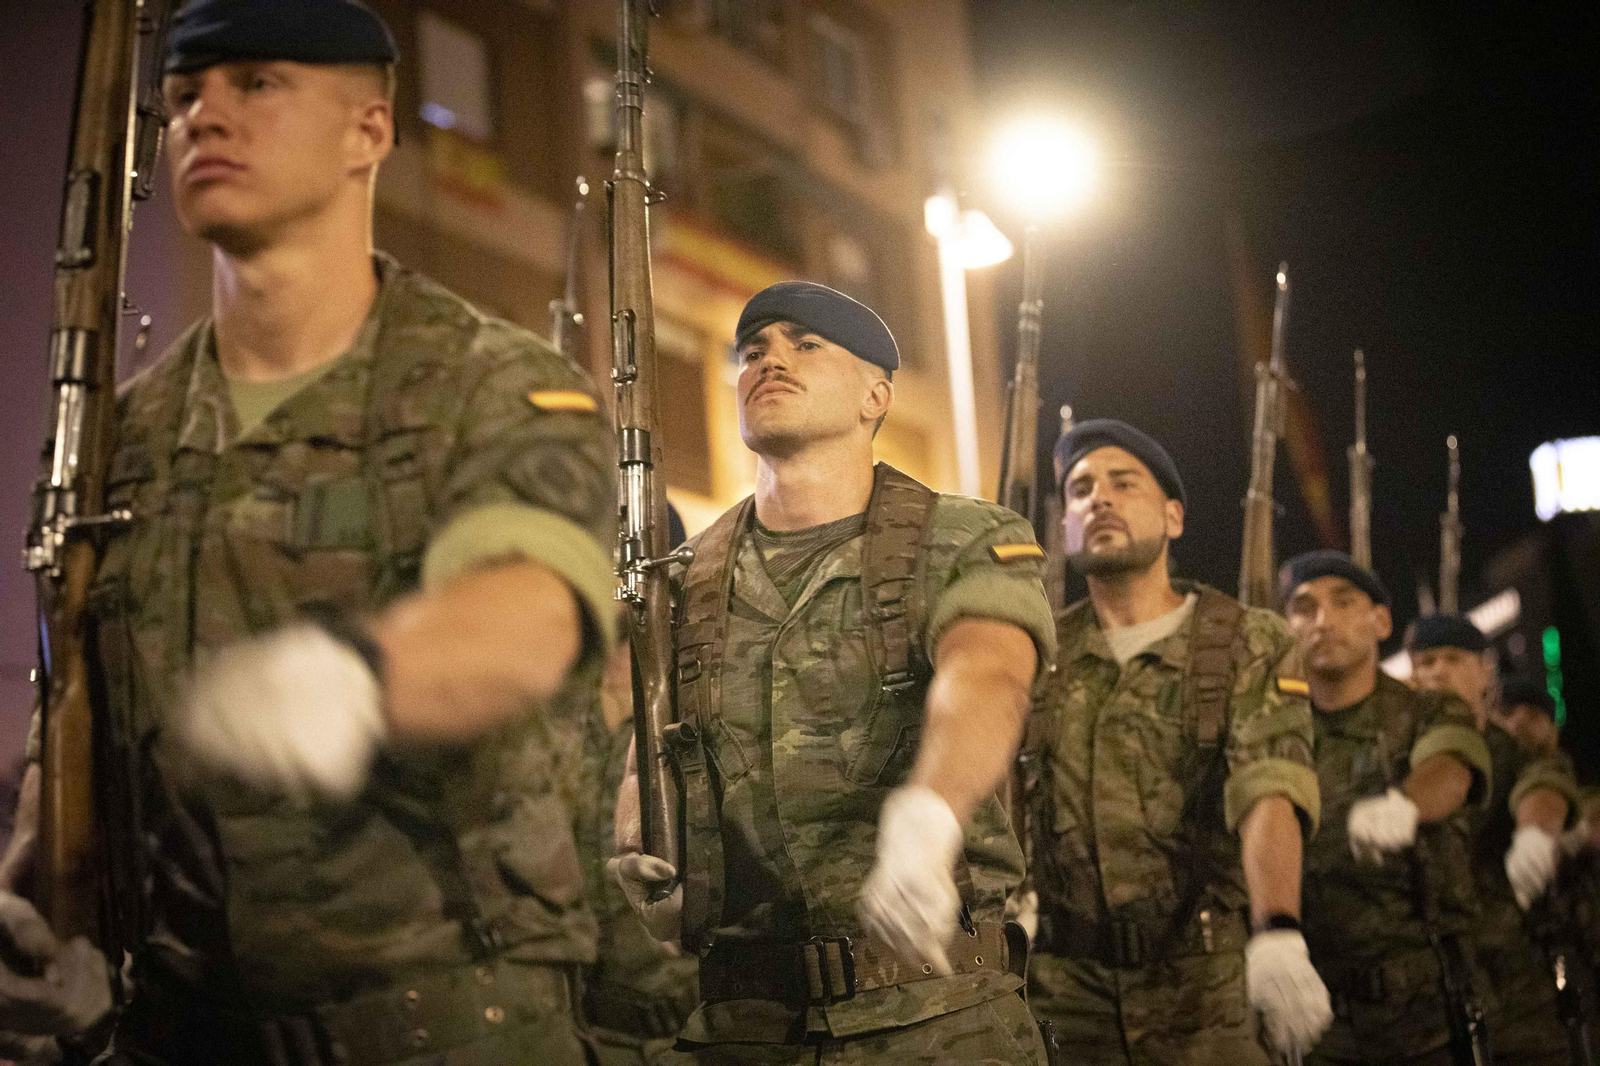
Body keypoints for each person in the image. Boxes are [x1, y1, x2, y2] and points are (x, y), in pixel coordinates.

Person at [0, 2, 618, 1063]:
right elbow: (77, 709)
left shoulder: (492, 383)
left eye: (258, 86)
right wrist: (27, 914)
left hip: (444, 1027)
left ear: (368, 131)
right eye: (185, 96)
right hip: (182, 1029)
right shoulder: (128, 432)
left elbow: (530, 606)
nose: (206, 119)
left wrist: (358, 676)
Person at [610, 281, 1055, 1064]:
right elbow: (649, 740)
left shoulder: (962, 538)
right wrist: (643, 857)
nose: (769, 360)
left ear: (875, 395)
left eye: (804, 344)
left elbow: (987, 673)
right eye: (752, 352)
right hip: (743, 1028)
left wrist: (932, 813)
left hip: (933, 1019)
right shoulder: (684, 580)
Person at [1021, 419, 1329, 1065]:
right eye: (1079, 490)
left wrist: (1278, 929)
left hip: (1204, 992)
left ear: (1173, 517)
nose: (1097, 499)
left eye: (1122, 483)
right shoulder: (1036, 650)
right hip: (1065, 997)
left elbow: (1269, 784)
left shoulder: (1248, 639)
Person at [1281, 551, 1493, 1066]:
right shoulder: (1275, 726)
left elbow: (1452, 763)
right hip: (1315, 1012)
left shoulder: (1426, 708)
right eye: (1304, 608)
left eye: (1343, 602)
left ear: (1380, 621)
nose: (1323, 620)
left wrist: (1406, 805)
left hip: (1425, 1013)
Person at [1410, 618, 1577, 1066]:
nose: (1438, 672)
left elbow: (1542, 787)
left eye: (1453, 659)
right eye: (1426, 662)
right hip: (1419, 998)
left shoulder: (1514, 749)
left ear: (1485, 672)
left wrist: (1535, 836)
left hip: (1513, 985)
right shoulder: (1397, 754)